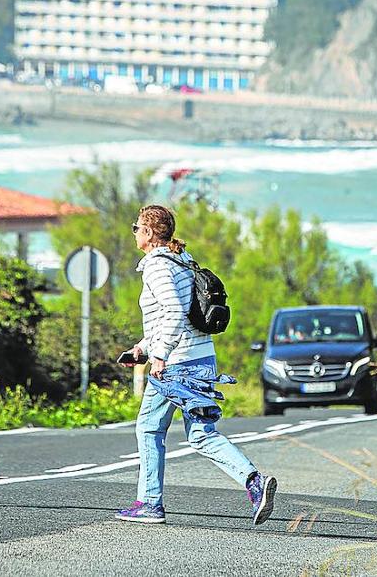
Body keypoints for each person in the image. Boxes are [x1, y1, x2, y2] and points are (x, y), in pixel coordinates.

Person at [116, 204, 278, 525]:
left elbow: (174, 312)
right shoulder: (182, 262)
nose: (135, 233)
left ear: (148, 233)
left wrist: (159, 354)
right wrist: (143, 347)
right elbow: (175, 317)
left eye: (137, 228)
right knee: (202, 434)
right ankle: (253, 481)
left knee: (149, 428)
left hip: (176, 365)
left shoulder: (157, 267)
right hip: (201, 358)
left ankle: (150, 503)